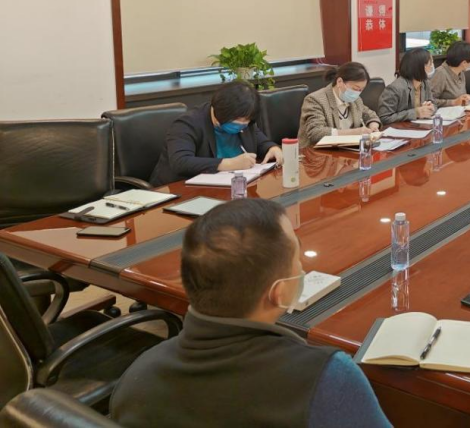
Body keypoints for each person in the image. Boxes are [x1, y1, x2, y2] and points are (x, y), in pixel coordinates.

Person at [110, 199, 390, 428]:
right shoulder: (327, 377)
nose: (302, 266)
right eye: (296, 258)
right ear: (280, 292)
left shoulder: (137, 377)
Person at [150, 81, 282, 186]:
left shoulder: (247, 122)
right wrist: (229, 164)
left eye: (245, 122)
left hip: (232, 188)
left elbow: (260, 140)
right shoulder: (188, 124)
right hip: (182, 190)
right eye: (236, 122)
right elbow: (181, 162)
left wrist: (272, 148)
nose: (241, 126)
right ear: (219, 111)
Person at [298, 62, 381, 146]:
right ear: (339, 82)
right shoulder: (315, 100)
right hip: (317, 151)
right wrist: (354, 132)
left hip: (347, 149)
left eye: (361, 90)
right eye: (355, 88)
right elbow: (316, 133)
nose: (357, 93)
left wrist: (373, 126)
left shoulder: (356, 100)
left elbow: (370, 115)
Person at [378, 47, 436, 125]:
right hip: (400, 129)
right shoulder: (395, 88)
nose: (432, 66)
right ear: (420, 67)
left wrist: (430, 108)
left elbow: (434, 104)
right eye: (430, 63)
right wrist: (416, 113)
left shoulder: (425, 83)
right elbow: (384, 118)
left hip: (420, 126)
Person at [429, 40, 470, 107]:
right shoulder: (440, 73)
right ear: (464, 63)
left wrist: (469, 97)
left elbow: (459, 97)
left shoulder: (461, 72)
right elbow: (429, 101)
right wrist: (453, 102)